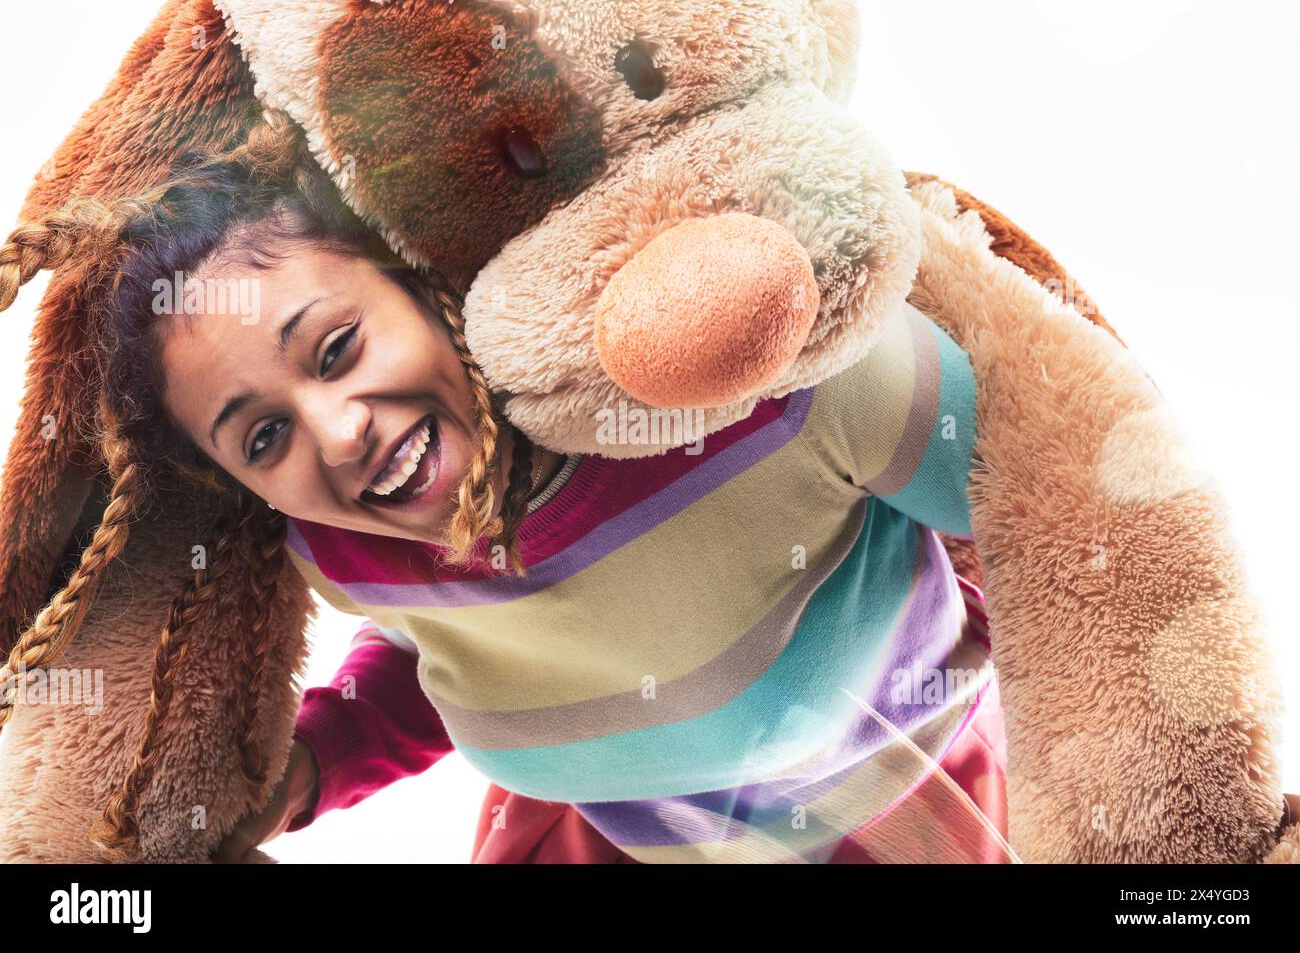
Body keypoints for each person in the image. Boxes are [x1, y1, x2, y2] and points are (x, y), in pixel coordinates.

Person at [0, 110, 1012, 863]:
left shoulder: (748, 393)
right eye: (264, 435)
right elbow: (456, 663)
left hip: (905, 823)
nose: (339, 429)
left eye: (338, 346)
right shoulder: (346, 550)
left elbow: (1033, 513)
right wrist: (312, 762)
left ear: (427, 281)